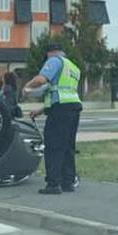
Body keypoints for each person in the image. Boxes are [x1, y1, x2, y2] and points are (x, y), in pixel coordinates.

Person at [21, 40, 82, 194]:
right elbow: (55, 91)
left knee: (54, 146)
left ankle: (53, 184)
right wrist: (41, 110)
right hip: (73, 108)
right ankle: (68, 182)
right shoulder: (73, 67)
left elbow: (42, 80)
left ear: (50, 53)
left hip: (60, 111)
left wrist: (27, 86)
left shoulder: (54, 61)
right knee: (68, 147)